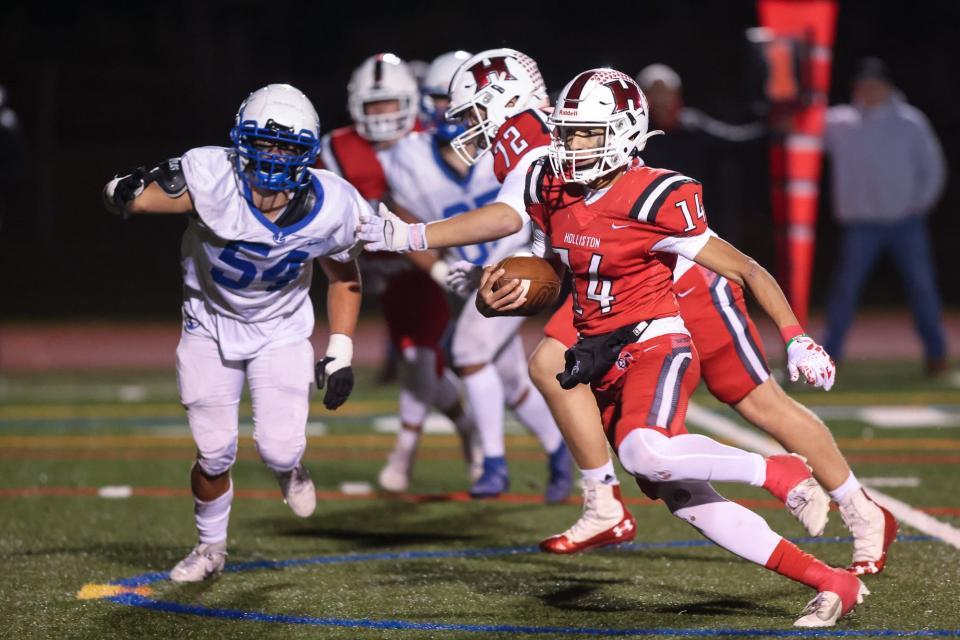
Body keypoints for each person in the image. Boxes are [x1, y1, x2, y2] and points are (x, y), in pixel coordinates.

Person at [359, 70, 870, 627]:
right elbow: (530, 242)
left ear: (625, 133)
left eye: (586, 134)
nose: (571, 145)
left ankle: (779, 470)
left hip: (655, 342)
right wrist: (485, 274)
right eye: (568, 132)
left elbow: (745, 267)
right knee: (685, 500)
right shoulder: (552, 184)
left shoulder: (658, 195)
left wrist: (796, 337)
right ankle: (831, 581)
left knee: (644, 451)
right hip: (597, 354)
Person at [103, 84, 364, 582]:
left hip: (281, 329)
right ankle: (210, 548)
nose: (273, 156)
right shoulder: (212, 178)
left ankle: (289, 468)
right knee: (214, 451)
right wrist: (123, 190)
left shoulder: (329, 204)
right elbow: (132, 201)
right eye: (265, 142)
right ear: (240, 140)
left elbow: (345, 278)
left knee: (281, 448)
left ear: (307, 153)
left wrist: (341, 350)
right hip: (208, 323)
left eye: (287, 147)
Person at [380, 49, 573, 502]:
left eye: (464, 106)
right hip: (477, 273)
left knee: (465, 351)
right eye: (441, 101)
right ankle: (560, 451)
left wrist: (414, 237)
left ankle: (493, 462)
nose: (453, 114)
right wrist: (444, 269)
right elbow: (401, 209)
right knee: (506, 377)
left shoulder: (513, 141)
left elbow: (510, 215)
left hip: (525, 259)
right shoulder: (409, 158)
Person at [319, 53, 480, 491]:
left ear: (409, 101)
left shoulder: (430, 138)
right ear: (357, 106)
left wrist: (448, 264)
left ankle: (404, 455)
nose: (384, 115)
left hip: (421, 261)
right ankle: (467, 426)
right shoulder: (335, 147)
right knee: (420, 357)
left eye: (391, 104)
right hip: (370, 266)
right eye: (374, 106)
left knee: (420, 352)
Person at [822, 57, 948, 375]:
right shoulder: (839, 122)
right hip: (860, 224)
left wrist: (919, 204)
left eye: (875, 85)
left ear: (888, 87)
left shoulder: (910, 121)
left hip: (905, 222)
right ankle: (827, 357)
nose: (869, 91)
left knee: (922, 288)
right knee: (845, 291)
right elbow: (804, 134)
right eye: (863, 85)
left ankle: (937, 356)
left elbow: (933, 166)